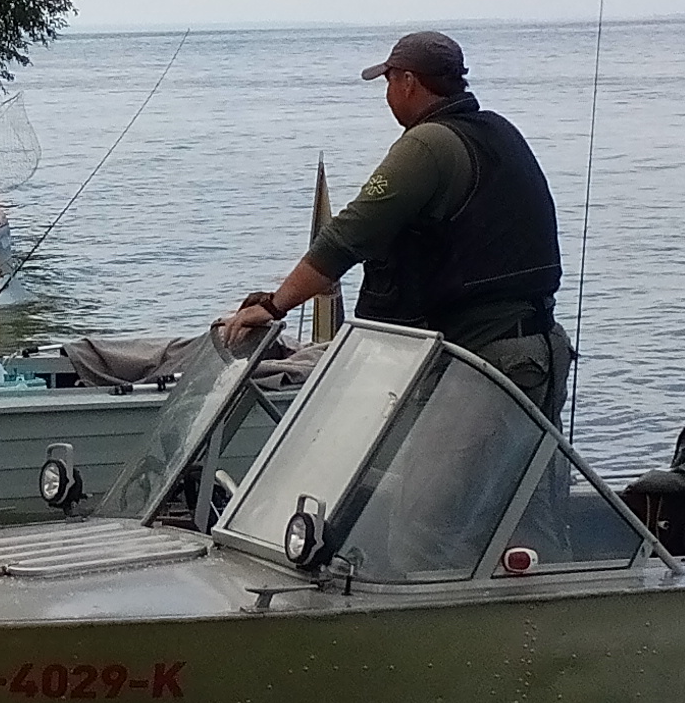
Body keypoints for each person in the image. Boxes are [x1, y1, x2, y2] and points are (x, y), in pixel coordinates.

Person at [229, 30, 575, 418]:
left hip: (481, 363)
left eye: (389, 81)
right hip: (540, 350)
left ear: (408, 81)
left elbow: (346, 237)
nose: (387, 94)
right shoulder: (500, 131)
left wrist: (274, 306)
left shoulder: (428, 144)